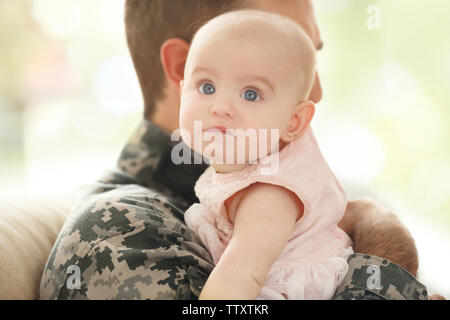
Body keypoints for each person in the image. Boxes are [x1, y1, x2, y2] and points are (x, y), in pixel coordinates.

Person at [39, 0, 432, 300]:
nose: (317, 92)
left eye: (310, 60)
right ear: (181, 68)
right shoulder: (117, 233)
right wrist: (383, 239)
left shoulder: (302, 191)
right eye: (283, 47)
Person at [179, 9, 353, 300]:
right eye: (206, 87)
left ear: (294, 121)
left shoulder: (270, 193)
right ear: (182, 90)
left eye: (251, 94)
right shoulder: (246, 152)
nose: (220, 106)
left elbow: (240, 276)